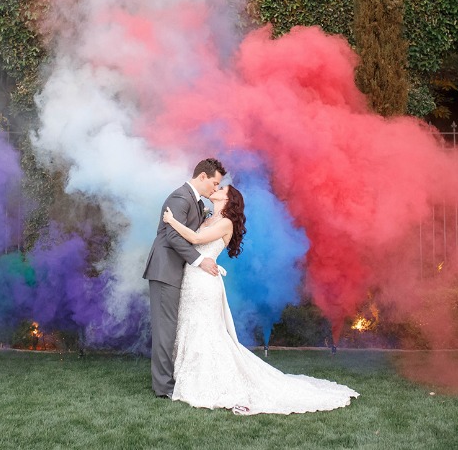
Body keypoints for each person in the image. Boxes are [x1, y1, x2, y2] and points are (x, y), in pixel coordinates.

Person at [162, 183, 358, 415]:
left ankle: (207, 381)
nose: (216, 188)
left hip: (205, 282)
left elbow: (194, 239)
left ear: (228, 198)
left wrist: (171, 221)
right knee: (189, 324)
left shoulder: (226, 223)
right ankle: (187, 376)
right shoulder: (208, 217)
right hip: (191, 278)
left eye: (221, 187)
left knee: (205, 328)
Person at [143, 157, 225, 398]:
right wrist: (201, 261)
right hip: (165, 270)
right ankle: (164, 388)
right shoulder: (180, 198)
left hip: (176, 271)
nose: (215, 189)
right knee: (165, 330)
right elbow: (173, 237)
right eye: (214, 183)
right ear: (202, 177)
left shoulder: (194, 201)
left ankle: (171, 379)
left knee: (171, 328)